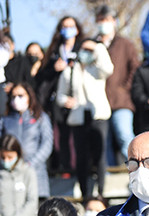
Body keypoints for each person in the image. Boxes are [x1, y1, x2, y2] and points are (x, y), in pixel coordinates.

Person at [55, 37, 113, 199]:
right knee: (82, 157)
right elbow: (60, 95)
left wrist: (98, 47)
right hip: (78, 117)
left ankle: (101, 192)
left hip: (98, 116)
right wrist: (67, 101)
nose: (87, 53)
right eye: (84, 49)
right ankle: (85, 193)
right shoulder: (70, 71)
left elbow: (108, 68)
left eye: (90, 50)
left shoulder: (97, 69)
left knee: (100, 155)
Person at [35, 16, 84, 176]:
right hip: (58, 101)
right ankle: (66, 169)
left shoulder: (83, 47)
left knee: (79, 136)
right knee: (62, 137)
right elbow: (42, 77)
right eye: (64, 26)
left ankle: (82, 168)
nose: (68, 29)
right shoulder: (54, 51)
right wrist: (54, 68)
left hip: (80, 98)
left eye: (71, 26)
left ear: (77, 29)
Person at [96, 5, 140, 163]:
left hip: (121, 101)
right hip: (99, 102)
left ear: (114, 21)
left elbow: (135, 68)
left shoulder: (125, 44)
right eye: (100, 20)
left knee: (124, 136)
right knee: (103, 142)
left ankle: (138, 165)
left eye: (106, 20)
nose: (103, 23)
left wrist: (125, 87)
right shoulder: (93, 44)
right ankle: (108, 174)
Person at [0, 82, 53, 198]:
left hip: (36, 174)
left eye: (21, 95)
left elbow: (47, 144)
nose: (16, 99)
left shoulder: (40, 118)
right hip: (10, 175)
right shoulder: (5, 120)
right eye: (13, 96)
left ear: (29, 96)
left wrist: (30, 164)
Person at [0, 135, 39, 216]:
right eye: (3, 157)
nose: (6, 161)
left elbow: (32, 202)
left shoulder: (28, 172)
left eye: (10, 157)